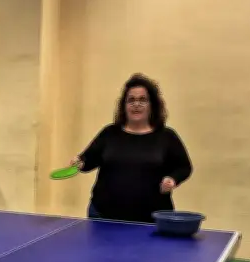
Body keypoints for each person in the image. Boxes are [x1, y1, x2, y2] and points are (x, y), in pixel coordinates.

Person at [70, 73, 193, 223]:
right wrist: (78, 162)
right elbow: (88, 160)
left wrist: (173, 179)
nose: (136, 104)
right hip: (104, 216)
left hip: (151, 219)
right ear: (124, 106)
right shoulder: (109, 134)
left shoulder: (167, 136)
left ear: (152, 105)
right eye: (131, 100)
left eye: (143, 100)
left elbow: (184, 167)